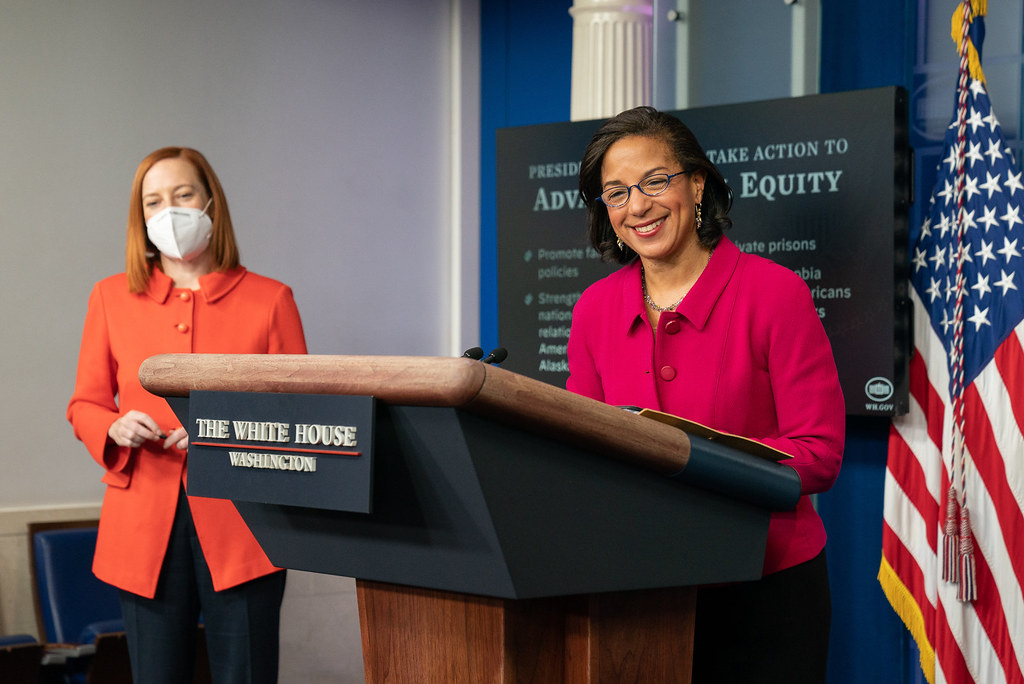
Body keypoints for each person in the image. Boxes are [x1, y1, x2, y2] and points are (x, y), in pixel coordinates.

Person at [568, 106, 845, 682]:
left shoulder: (775, 294)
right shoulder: (594, 309)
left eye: (654, 181)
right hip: (638, 587)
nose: (637, 206)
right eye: (615, 193)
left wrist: (692, 459)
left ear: (696, 184)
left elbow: (819, 452)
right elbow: (582, 446)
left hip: (766, 591)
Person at [67, 147, 307, 684]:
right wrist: (112, 425)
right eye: (153, 201)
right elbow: (84, 402)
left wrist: (225, 439)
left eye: (182, 195)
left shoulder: (271, 300)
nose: (168, 211)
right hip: (142, 524)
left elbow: (299, 418)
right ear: (140, 218)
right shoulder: (109, 298)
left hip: (246, 527)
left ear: (211, 204)